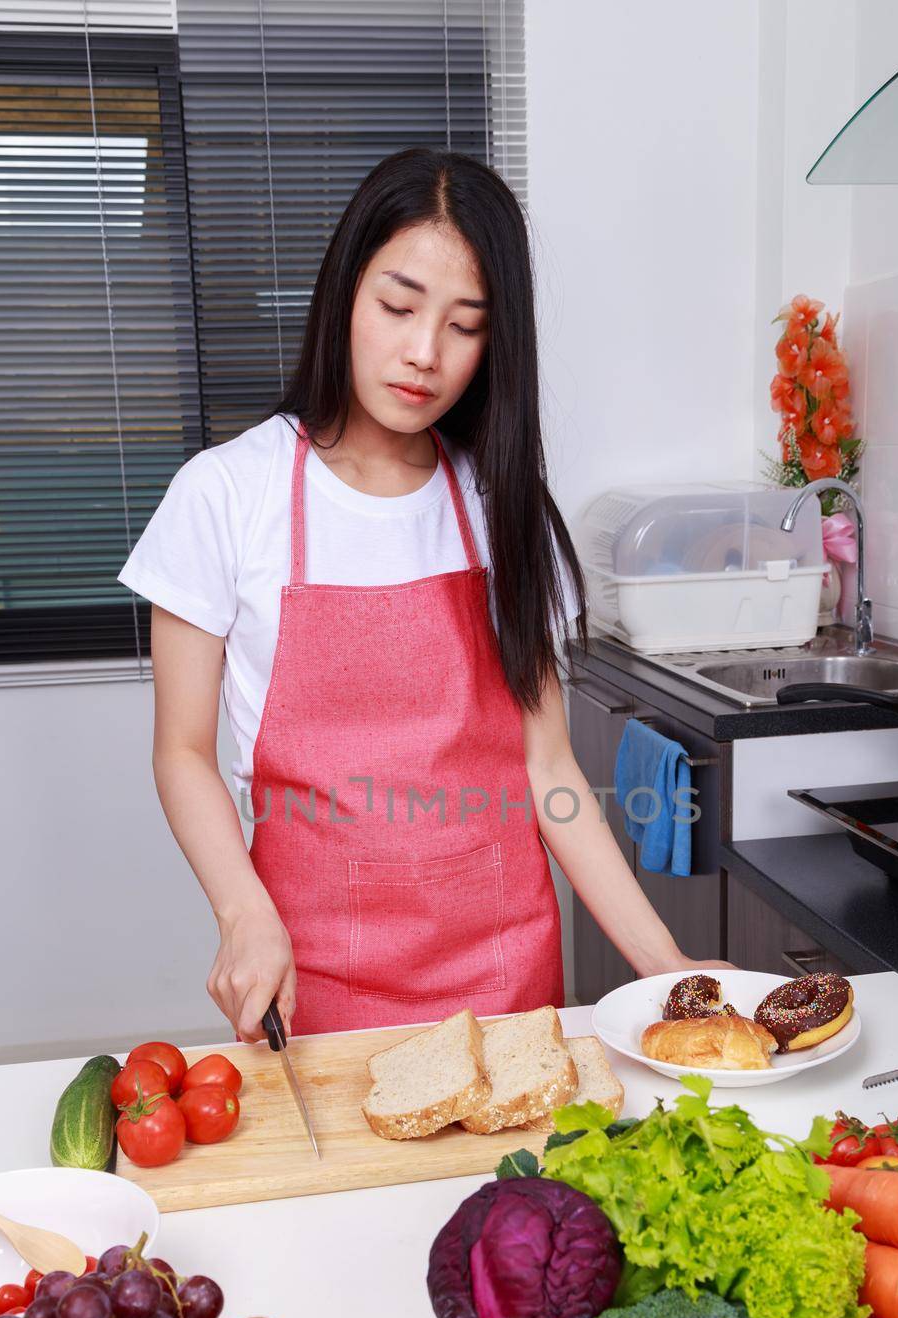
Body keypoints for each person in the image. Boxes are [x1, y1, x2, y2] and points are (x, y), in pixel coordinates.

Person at [117, 146, 725, 1044]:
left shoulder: (498, 507)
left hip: (508, 976)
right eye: (398, 306)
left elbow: (548, 770)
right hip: (317, 975)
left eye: (465, 324)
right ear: (343, 294)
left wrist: (664, 964)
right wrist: (242, 914)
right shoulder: (225, 493)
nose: (423, 353)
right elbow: (183, 753)